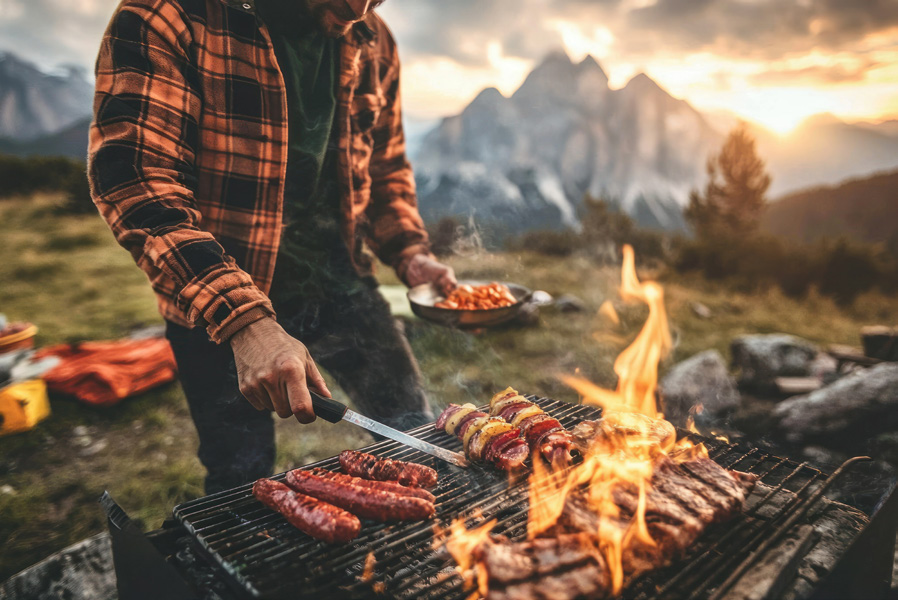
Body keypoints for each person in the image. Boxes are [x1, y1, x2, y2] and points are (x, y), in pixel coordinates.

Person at [88, 0, 456, 493]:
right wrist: (245, 320)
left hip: (340, 282)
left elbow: (384, 170)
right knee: (241, 474)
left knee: (415, 435)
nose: (359, 8)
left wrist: (411, 252)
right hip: (216, 302)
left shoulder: (374, 40)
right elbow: (137, 181)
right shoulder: (168, 14)